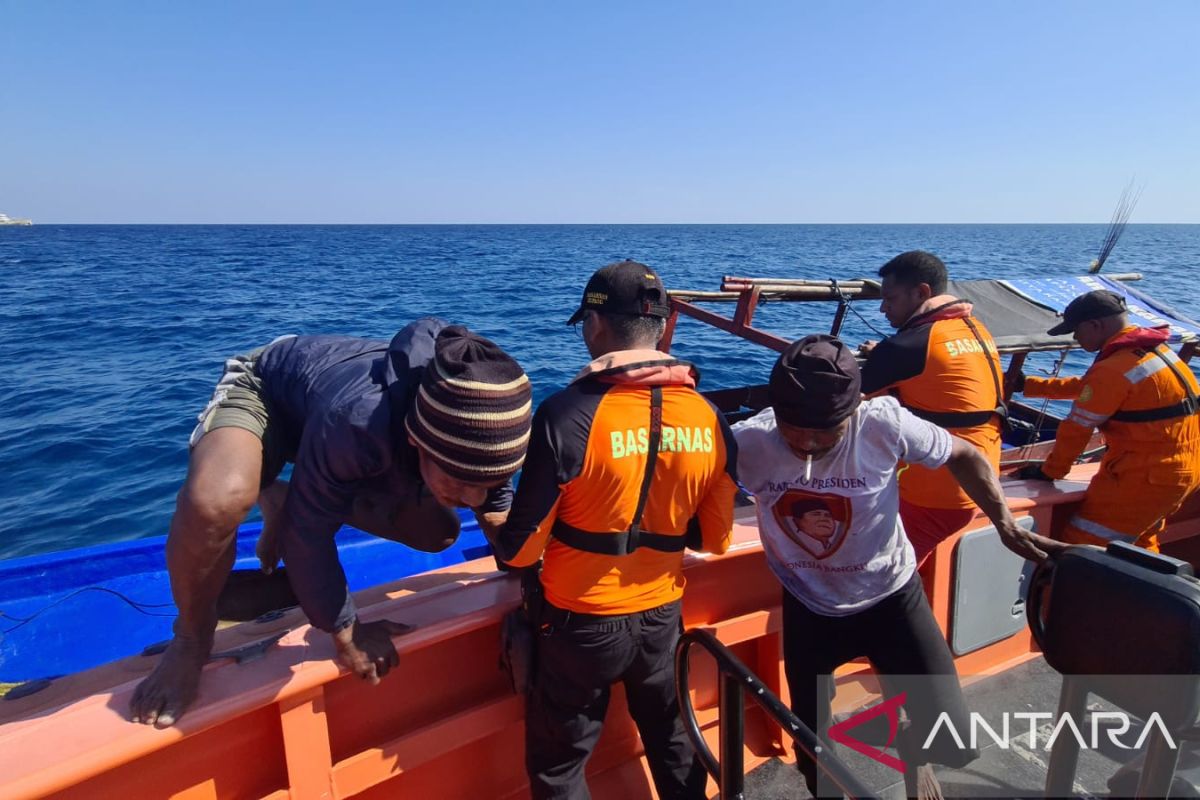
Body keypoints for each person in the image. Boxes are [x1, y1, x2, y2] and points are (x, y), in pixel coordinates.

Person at [130, 318, 533, 728]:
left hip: (336, 433)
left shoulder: (477, 420)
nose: (473, 498)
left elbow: (495, 506)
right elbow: (309, 534)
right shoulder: (359, 421)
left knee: (438, 531)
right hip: (270, 393)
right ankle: (191, 637)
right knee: (219, 500)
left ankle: (297, 499)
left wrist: (529, 573)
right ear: (416, 440)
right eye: (459, 481)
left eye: (488, 482)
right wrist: (347, 631)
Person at [733, 334, 1062, 798]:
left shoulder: (883, 424)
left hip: (891, 594)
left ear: (855, 408)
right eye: (794, 428)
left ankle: (916, 750)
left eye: (825, 430)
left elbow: (965, 454)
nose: (807, 442)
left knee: (953, 734)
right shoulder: (749, 441)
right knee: (813, 751)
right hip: (810, 604)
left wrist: (1004, 522)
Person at [492, 260, 738, 800]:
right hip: (661, 618)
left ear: (597, 327)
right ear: (664, 327)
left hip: (579, 624)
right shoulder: (708, 416)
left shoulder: (564, 414)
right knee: (673, 740)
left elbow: (519, 552)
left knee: (560, 764)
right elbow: (716, 539)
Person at [1011, 289, 1200, 551]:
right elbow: (1093, 388)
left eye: (1076, 330)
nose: (1075, 338)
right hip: (1176, 474)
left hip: (1143, 478)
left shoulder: (1115, 368)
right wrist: (1029, 385)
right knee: (1140, 546)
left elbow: (1077, 429)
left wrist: (1050, 472)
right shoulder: (1155, 353)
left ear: (1095, 325)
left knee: (1084, 544)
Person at [859, 250, 1005, 566]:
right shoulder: (974, 328)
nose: (883, 308)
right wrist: (882, 355)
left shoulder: (906, 346)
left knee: (882, 575)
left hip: (934, 493)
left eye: (890, 298)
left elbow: (847, 399)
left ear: (922, 293)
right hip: (980, 478)